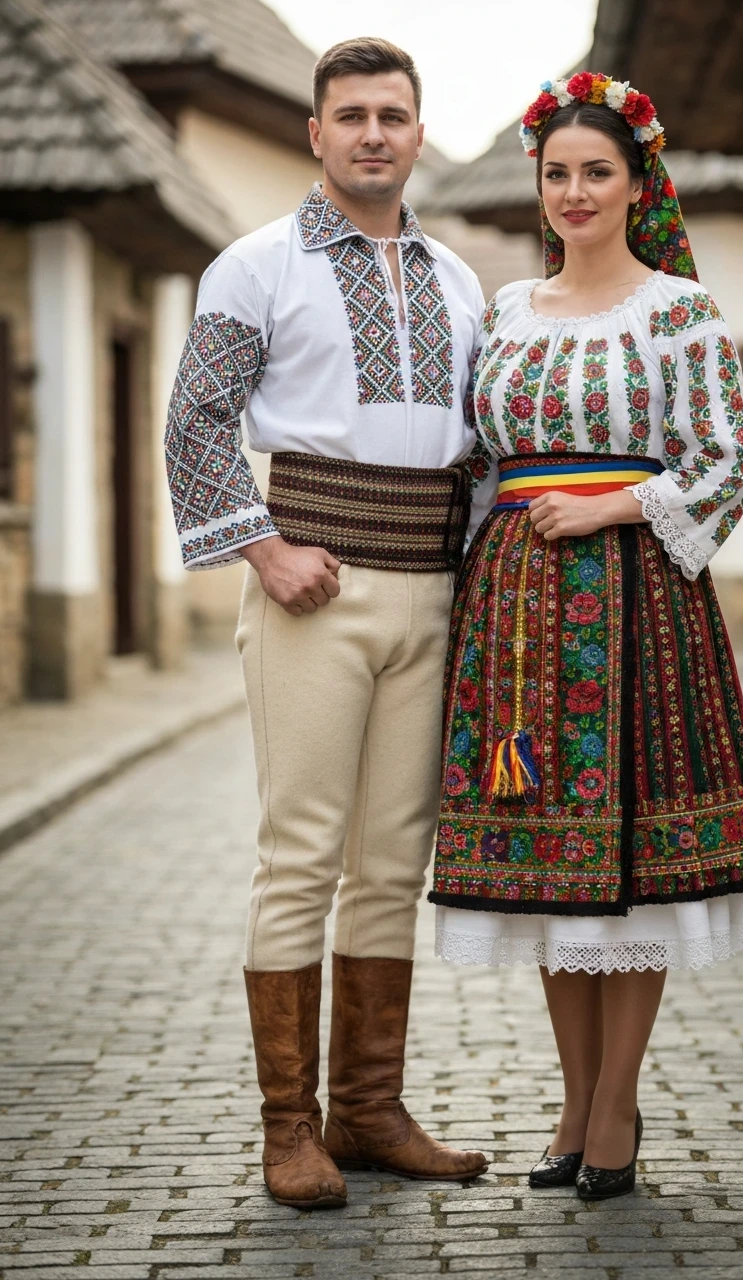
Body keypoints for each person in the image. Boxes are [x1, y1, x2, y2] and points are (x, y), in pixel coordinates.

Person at [429, 71, 743, 1202]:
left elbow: (724, 463)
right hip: (521, 612)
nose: (573, 191)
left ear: (635, 184)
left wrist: (613, 505)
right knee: (549, 866)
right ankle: (571, 1102)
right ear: (536, 186)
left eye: (595, 172)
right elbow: (481, 461)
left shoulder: (676, 310)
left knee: (627, 870)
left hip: (636, 603)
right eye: (557, 174)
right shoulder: (506, 313)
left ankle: (616, 1103)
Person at [164, 37, 489, 1210]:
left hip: (430, 590)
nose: (369, 132)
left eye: (390, 115)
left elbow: (483, 450)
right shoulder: (253, 267)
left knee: (392, 864)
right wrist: (262, 546)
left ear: (414, 133)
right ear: (315, 134)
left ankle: (368, 1108)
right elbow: (195, 422)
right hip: (314, 587)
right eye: (347, 113)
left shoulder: (458, 282)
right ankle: (288, 1124)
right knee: (299, 854)